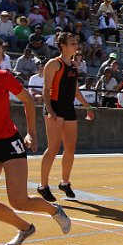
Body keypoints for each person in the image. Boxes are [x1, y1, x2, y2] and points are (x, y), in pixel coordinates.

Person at [0, 33, 71, 245]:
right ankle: (26, 228)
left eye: (2, 54)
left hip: (10, 143)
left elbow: (28, 100)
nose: (2, 58)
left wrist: (31, 133)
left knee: (19, 200)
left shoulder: (2, 77)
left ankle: (54, 210)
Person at [38, 33, 95, 202]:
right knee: (54, 148)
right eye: (72, 43)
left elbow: (76, 91)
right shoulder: (54, 64)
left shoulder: (74, 67)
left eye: (76, 42)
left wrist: (88, 107)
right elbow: (46, 89)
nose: (76, 45)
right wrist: (49, 110)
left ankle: (65, 182)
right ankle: (43, 185)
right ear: (62, 45)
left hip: (68, 108)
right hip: (54, 107)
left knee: (70, 148)